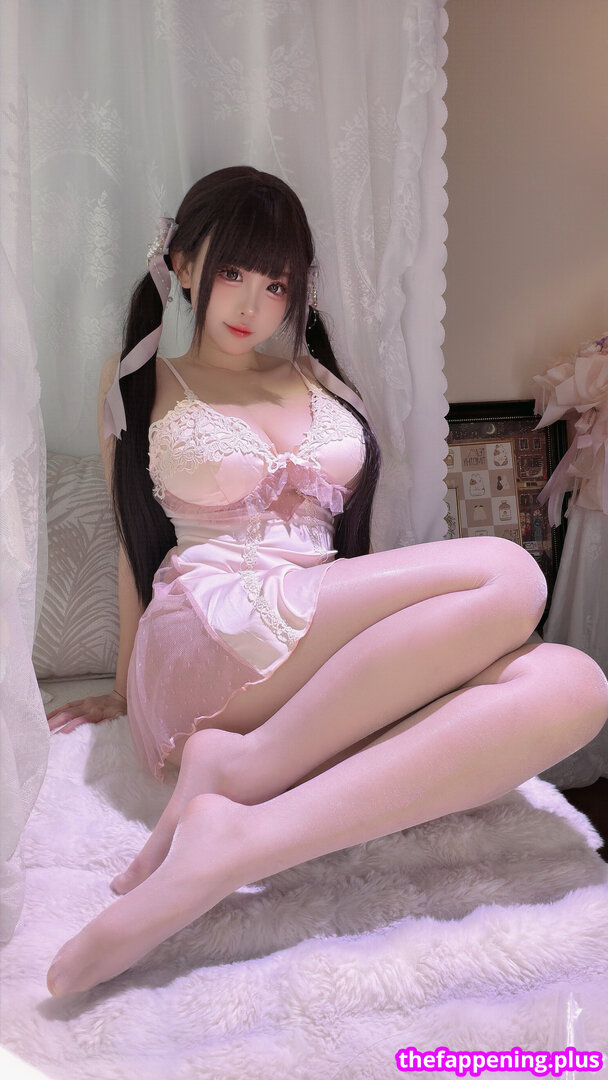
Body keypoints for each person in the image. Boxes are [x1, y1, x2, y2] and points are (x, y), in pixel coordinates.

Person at [46, 166, 608, 998]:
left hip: (314, 648)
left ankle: (244, 838)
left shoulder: (320, 382)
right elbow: (136, 539)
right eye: (232, 272)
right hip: (210, 630)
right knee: (511, 573)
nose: (253, 304)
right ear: (183, 264)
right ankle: (244, 766)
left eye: (276, 284)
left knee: (574, 683)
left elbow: (357, 554)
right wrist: (128, 684)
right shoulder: (140, 379)